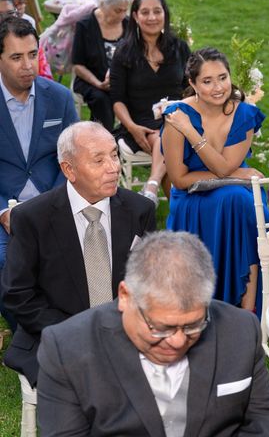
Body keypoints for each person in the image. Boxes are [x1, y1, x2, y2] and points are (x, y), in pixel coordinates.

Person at [36, 230, 269, 436]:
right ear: (125, 296)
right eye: (161, 328)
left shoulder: (240, 329)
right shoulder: (66, 348)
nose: (178, 341)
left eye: (193, 325)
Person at [1, 121, 156, 388]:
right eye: (98, 160)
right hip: (57, 335)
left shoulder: (139, 210)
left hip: (125, 331)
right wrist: (82, 333)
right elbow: (18, 294)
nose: (113, 167)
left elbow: (150, 281)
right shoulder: (32, 218)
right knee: (97, 385)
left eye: (114, 155)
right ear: (69, 169)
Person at [161, 48, 266, 312]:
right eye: (207, 81)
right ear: (192, 84)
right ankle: (239, 306)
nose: (218, 87)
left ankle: (248, 310)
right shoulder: (178, 118)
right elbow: (179, 179)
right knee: (239, 200)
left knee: (240, 202)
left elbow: (223, 168)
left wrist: (229, 172)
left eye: (222, 77)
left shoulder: (244, 115)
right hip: (191, 199)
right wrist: (188, 129)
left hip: (234, 196)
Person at [0, 16, 78, 331]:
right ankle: (30, 336)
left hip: (56, 204)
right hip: (5, 211)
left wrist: (54, 203)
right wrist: (3, 210)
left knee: (78, 261)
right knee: (6, 265)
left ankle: (68, 331)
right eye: (16, 57)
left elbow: (75, 157)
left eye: (33, 54)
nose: (27, 65)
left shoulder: (58, 97)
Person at [110, 0, 191, 205]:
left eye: (157, 11)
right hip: (138, 123)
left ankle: (152, 187)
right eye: (145, 12)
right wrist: (133, 128)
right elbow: (117, 100)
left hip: (176, 117)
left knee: (166, 134)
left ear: (165, 14)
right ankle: (176, 206)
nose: (152, 17)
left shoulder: (179, 48)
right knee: (162, 137)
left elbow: (191, 88)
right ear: (135, 16)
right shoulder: (124, 53)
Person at [72, 0, 131, 130]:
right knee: (102, 100)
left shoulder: (128, 24)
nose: (122, 15)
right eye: (117, 11)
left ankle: (127, 140)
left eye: (125, 10)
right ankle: (103, 140)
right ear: (103, 4)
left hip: (123, 79)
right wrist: (99, 84)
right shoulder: (85, 25)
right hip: (92, 80)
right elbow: (78, 65)